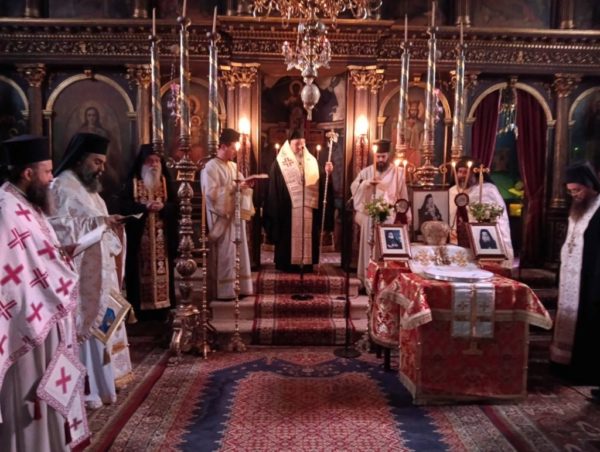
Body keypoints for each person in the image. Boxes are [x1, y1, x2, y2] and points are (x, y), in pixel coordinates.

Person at [0, 135, 89, 451]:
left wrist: (61, 255)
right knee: (29, 396)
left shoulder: (27, 205)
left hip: (44, 311)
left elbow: (37, 255)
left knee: (48, 391)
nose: (52, 178)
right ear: (28, 173)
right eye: (48, 171)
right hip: (27, 320)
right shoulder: (7, 210)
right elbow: (10, 271)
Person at [48, 132, 132, 410]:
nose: (101, 168)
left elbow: (97, 223)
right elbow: (55, 229)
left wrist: (110, 224)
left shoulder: (90, 190)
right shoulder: (60, 186)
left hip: (100, 272)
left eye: (103, 163)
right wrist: (101, 223)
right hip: (81, 277)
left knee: (104, 327)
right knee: (88, 330)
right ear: (80, 159)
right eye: (97, 162)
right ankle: (90, 389)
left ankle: (106, 383)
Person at [550, 161, 600, 399]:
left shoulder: (598, 210)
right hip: (571, 276)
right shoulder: (577, 209)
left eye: (578, 190)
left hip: (590, 279)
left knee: (588, 324)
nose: (575, 195)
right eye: (571, 191)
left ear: (590, 186)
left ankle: (583, 370)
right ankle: (563, 365)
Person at [120, 144, 178, 319]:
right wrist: (144, 207)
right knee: (138, 273)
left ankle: (163, 310)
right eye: (150, 161)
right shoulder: (133, 183)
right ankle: (140, 311)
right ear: (142, 163)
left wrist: (164, 207)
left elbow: (177, 207)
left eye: (157, 161)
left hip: (162, 239)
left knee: (163, 273)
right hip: (139, 239)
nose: (154, 165)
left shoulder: (166, 183)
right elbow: (123, 206)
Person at [264, 129, 334, 272]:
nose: (300, 148)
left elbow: (322, 183)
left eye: (303, 144)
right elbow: (273, 189)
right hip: (287, 210)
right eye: (297, 145)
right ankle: (286, 264)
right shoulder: (279, 163)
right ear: (289, 144)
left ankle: (306, 264)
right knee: (287, 238)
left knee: (308, 237)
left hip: (308, 208)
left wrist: (328, 173)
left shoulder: (312, 161)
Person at [200, 128, 254, 300]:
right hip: (222, 219)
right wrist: (234, 187)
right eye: (232, 147)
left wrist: (246, 187)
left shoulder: (233, 166)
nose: (235, 151)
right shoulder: (210, 167)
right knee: (226, 253)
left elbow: (241, 188)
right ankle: (225, 291)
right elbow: (211, 194)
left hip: (236, 219)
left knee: (239, 251)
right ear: (223, 146)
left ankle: (240, 287)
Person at [350, 139, 410, 286]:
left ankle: (387, 282)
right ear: (374, 156)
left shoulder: (398, 172)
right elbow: (354, 188)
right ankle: (367, 280)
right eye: (378, 157)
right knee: (369, 246)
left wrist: (406, 215)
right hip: (370, 215)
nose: (381, 160)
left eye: (383, 156)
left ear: (388, 155)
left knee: (387, 248)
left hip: (390, 217)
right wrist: (366, 184)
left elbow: (403, 196)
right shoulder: (366, 172)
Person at [448, 157, 514, 263]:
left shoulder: (487, 190)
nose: (462, 176)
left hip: (478, 237)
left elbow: (498, 217)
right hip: (455, 237)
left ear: (475, 173)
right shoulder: (452, 191)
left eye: (466, 172)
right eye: (460, 172)